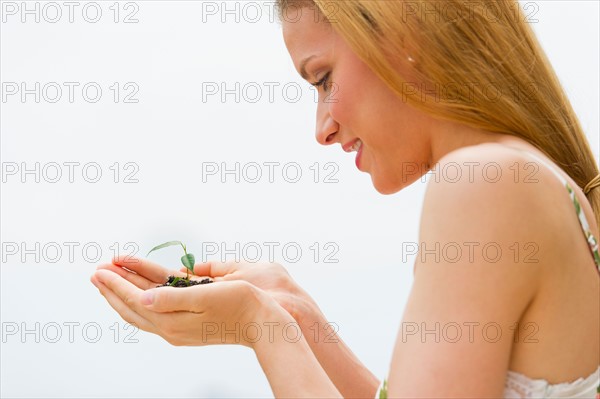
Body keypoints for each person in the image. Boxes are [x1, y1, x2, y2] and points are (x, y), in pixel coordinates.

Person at [91, 1, 600, 397]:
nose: (322, 129)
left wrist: (261, 326)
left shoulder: (484, 183)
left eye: (322, 78)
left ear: (404, 35)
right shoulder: (528, 180)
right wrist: (295, 315)